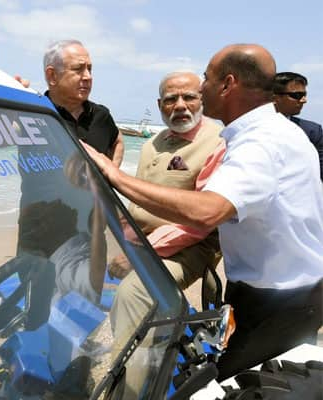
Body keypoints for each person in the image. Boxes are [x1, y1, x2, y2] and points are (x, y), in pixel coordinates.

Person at [84, 44, 323, 381]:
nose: (201, 86)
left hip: (280, 302)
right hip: (277, 293)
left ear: (227, 84)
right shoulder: (266, 133)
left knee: (243, 384)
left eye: (205, 79)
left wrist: (115, 176)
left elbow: (208, 211)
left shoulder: (260, 143)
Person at [108, 71, 225, 347]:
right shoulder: (152, 143)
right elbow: (139, 199)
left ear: (202, 100)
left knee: (133, 292)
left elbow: (201, 221)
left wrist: (142, 255)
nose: (181, 105)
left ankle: (131, 383)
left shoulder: (218, 142)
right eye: (171, 99)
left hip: (191, 247)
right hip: (144, 240)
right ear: (160, 105)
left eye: (189, 97)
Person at [43, 39, 124, 167]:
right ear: (52, 76)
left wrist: (112, 174)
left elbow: (118, 140)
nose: (88, 77)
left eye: (89, 69)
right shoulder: (33, 112)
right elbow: (2, 141)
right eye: (78, 69)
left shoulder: (101, 115)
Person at [272, 72, 323, 182]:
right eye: (297, 95)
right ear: (275, 98)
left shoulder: (312, 132)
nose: (304, 100)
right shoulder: (250, 128)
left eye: (304, 95)